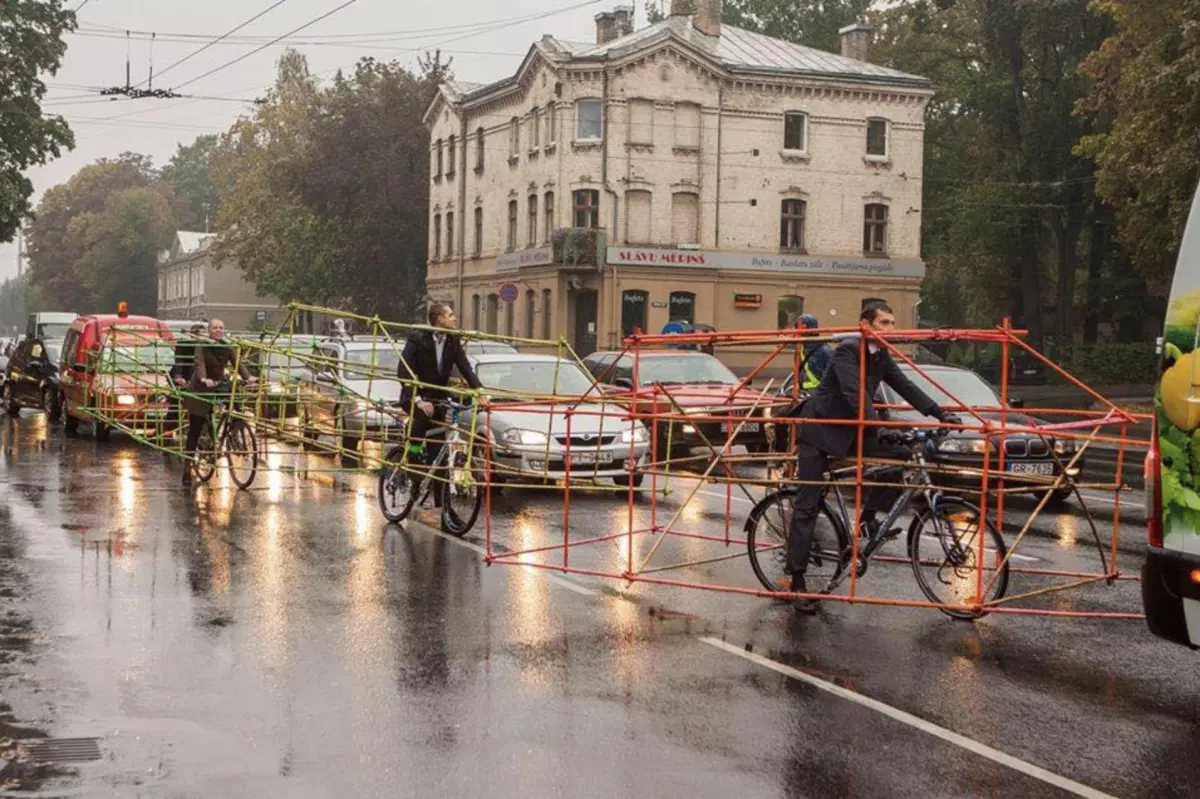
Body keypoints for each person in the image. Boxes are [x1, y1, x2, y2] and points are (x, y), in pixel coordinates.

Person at [786, 302, 961, 610]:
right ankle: (797, 582)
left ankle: (867, 519)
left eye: (893, 323)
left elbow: (905, 385)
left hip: (853, 429)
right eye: (884, 323)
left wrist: (940, 414)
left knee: (904, 453)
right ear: (865, 325)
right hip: (822, 431)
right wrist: (879, 427)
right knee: (808, 504)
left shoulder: (880, 354)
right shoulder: (848, 350)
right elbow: (855, 393)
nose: (890, 329)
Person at [396, 302, 482, 496]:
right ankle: (413, 459)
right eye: (450, 315)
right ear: (439, 319)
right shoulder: (417, 338)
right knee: (420, 421)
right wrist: (418, 399)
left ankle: (443, 511)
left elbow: (465, 367)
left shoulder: (452, 340)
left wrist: (480, 391)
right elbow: (403, 371)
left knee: (439, 456)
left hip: (438, 399)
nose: (454, 319)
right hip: (416, 395)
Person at [181, 319, 252, 486]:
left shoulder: (227, 346)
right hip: (201, 387)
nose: (219, 330)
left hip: (218, 386)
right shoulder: (202, 344)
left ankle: (234, 429)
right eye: (215, 328)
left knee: (234, 397)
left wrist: (248, 377)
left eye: (221, 327)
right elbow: (200, 363)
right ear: (210, 330)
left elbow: (237, 362)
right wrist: (203, 378)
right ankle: (187, 467)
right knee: (195, 429)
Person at [795, 314, 833, 391]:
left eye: (798, 328)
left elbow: (833, 375)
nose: (796, 332)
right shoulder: (801, 348)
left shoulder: (825, 351)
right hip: (803, 392)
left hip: (819, 393)